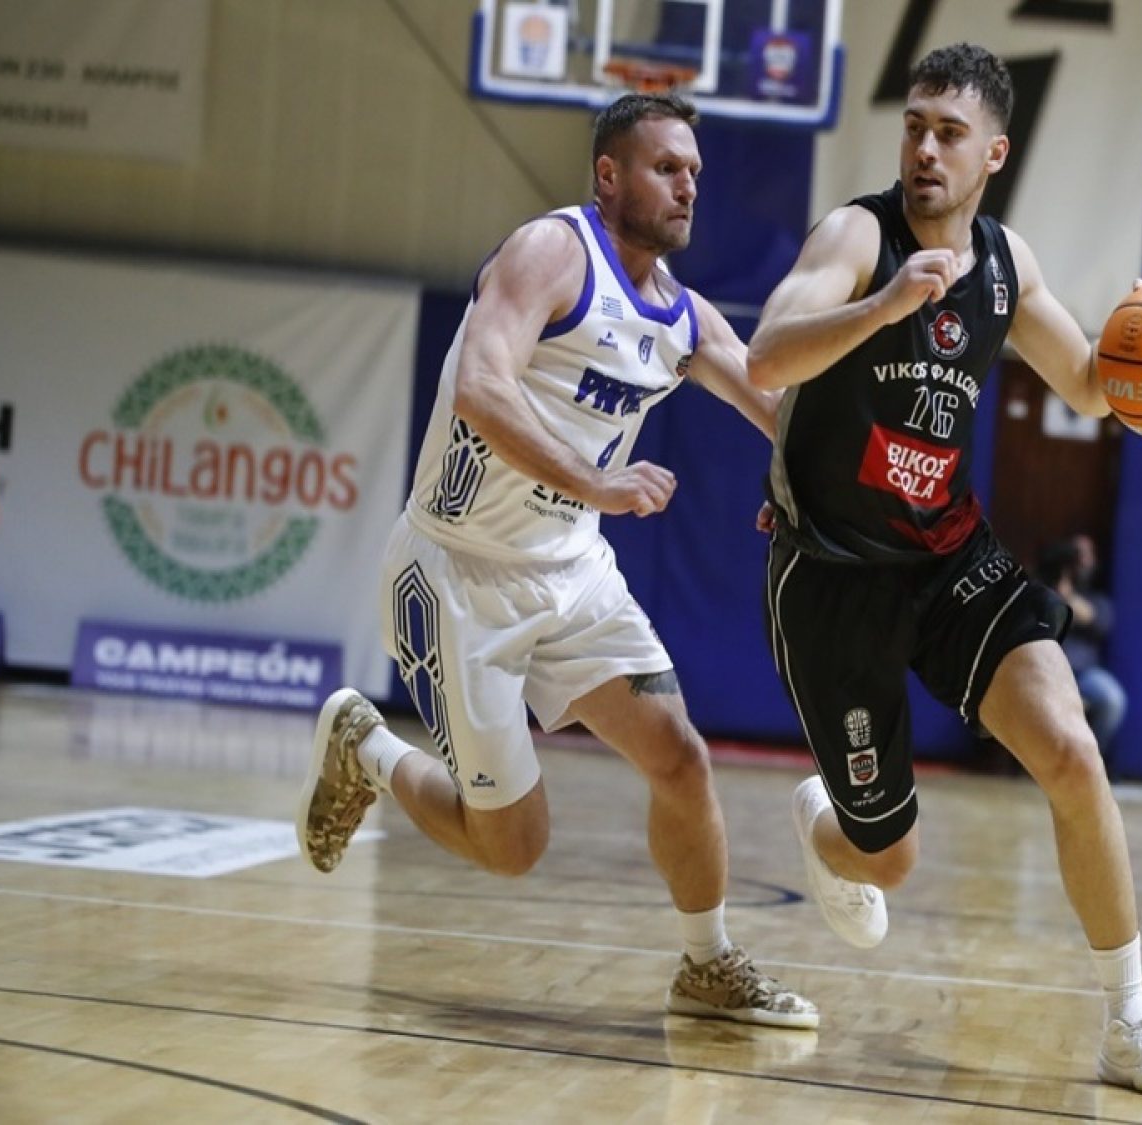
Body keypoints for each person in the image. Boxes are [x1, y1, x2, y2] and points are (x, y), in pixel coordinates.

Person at [747, 44, 1142, 1097]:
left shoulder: (1008, 266)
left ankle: (1131, 1019)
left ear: (993, 154)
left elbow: (1093, 385)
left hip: (950, 556)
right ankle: (827, 822)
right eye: (915, 126)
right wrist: (880, 307)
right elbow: (767, 356)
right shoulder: (857, 237)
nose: (925, 148)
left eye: (950, 133)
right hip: (831, 574)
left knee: (1071, 749)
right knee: (889, 858)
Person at [296, 93, 816, 1030]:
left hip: (573, 573)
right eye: (667, 167)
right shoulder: (552, 252)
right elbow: (481, 386)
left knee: (681, 758)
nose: (688, 185)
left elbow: (779, 414)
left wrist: (820, 487)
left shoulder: (684, 318)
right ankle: (366, 747)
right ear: (609, 175)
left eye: (695, 171)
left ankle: (708, 964)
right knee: (513, 846)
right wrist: (598, 483)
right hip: (458, 574)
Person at [1039, 534, 1126, 755]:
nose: (1081, 562)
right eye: (1076, 554)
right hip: (1045, 672)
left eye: (1085, 555)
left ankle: (1088, 758)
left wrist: (1067, 595)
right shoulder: (1041, 591)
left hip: (1083, 674)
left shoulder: (1097, 598)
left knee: (1112, 698)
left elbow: (1096, 620)